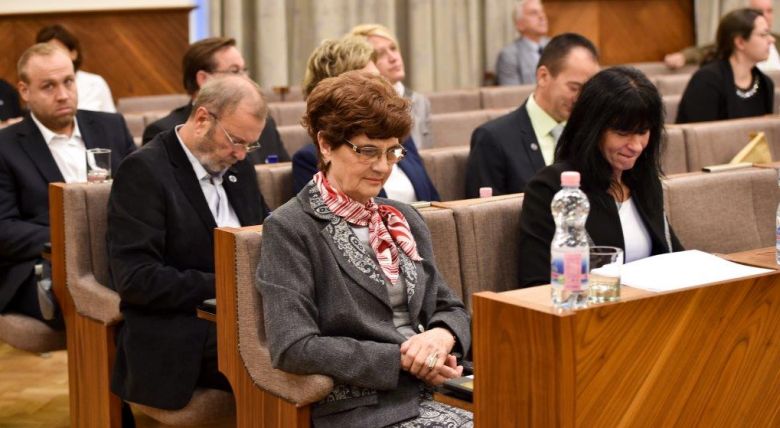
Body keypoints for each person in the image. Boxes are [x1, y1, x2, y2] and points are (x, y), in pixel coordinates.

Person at [258, 70, 472, 427]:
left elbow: (450, 307)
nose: (382, 167)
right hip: (365, 404)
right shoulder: (291, 227)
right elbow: (293, 346)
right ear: (326, 144)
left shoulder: (402, 218)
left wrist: (440, 336)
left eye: (392, 152)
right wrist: (405, 359)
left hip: (440, 385)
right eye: (367, 151)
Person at [107, 75, 269, 410]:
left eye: (250, 145)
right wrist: (231, 286)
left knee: (316, 341)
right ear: (202, 119)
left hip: (245, 314)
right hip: (179, 329)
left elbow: (266, 237)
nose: (241, 154)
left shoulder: (239, 167)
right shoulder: (144, 171)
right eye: (236, 141)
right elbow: (136, 280)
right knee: (282, 357)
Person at [0, 43, 135, 324]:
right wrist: (73, 240)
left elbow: (140, 194)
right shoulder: (6, 146)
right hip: (46, 262)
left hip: (119, 253)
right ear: (24, 91)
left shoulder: (111, 126)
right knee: (115, 304)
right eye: (48, 86)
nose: (63, 95)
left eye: (68, 82)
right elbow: (5, 228)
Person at [517, 67, 684, 288]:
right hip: (590, 305)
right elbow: (536, 284)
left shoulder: (643, 180)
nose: (636, 146)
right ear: (592, 129)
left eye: (643, 132)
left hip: (650, 303)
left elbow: (675, 257)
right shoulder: (552, 188)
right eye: (622, 133)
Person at [293, 36, 440, 203]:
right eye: (368, 151)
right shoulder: (310, 158)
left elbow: (434, 200)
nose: (381, 87)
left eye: (379, 79)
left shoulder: (396, 135)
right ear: (336, 92)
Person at [465, 33, 599, 198]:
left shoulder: (589, 134)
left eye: (587, 91)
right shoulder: (493, 138)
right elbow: (484, 212)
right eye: (574, 88)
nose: (580, 98)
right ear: (543, 76)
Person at [142, 37, 289, 164]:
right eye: (235, 71)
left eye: (244, 70)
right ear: (204, 79)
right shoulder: (165, 131)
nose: (245, 79)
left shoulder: (263, 124)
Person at [676, 8, 775, 123]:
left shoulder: (765, 83)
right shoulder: (707, 80)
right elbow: (698, 132)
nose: (771, 40)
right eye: (763, 35)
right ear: (740, 42)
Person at [350, 24, 433, 149]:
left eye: (393, 48)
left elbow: (428, 153)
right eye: (380, 54)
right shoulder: (361, 105)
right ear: (365, 62)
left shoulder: (421, 101)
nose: (393, 58)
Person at [664, 0, 780, 71]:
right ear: (740, 42)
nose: (764, 16)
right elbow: (710, 49)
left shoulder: (777, 39)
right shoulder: (735, 43)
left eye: (769, 11)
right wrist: (684, 56)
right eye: (758, 11)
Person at [36, 24, 117, 113]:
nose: (53, 58)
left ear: (73, 54)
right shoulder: (37, 84)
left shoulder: (95, 83)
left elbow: (111, 118)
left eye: (57, 52)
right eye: (47, 53)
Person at [495, 0, 550, 85]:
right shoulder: (509, 55)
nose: (542, 16)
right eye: (534, 13)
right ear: (520, 24)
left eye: (542, 12)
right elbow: (512, 92)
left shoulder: (557, 46)